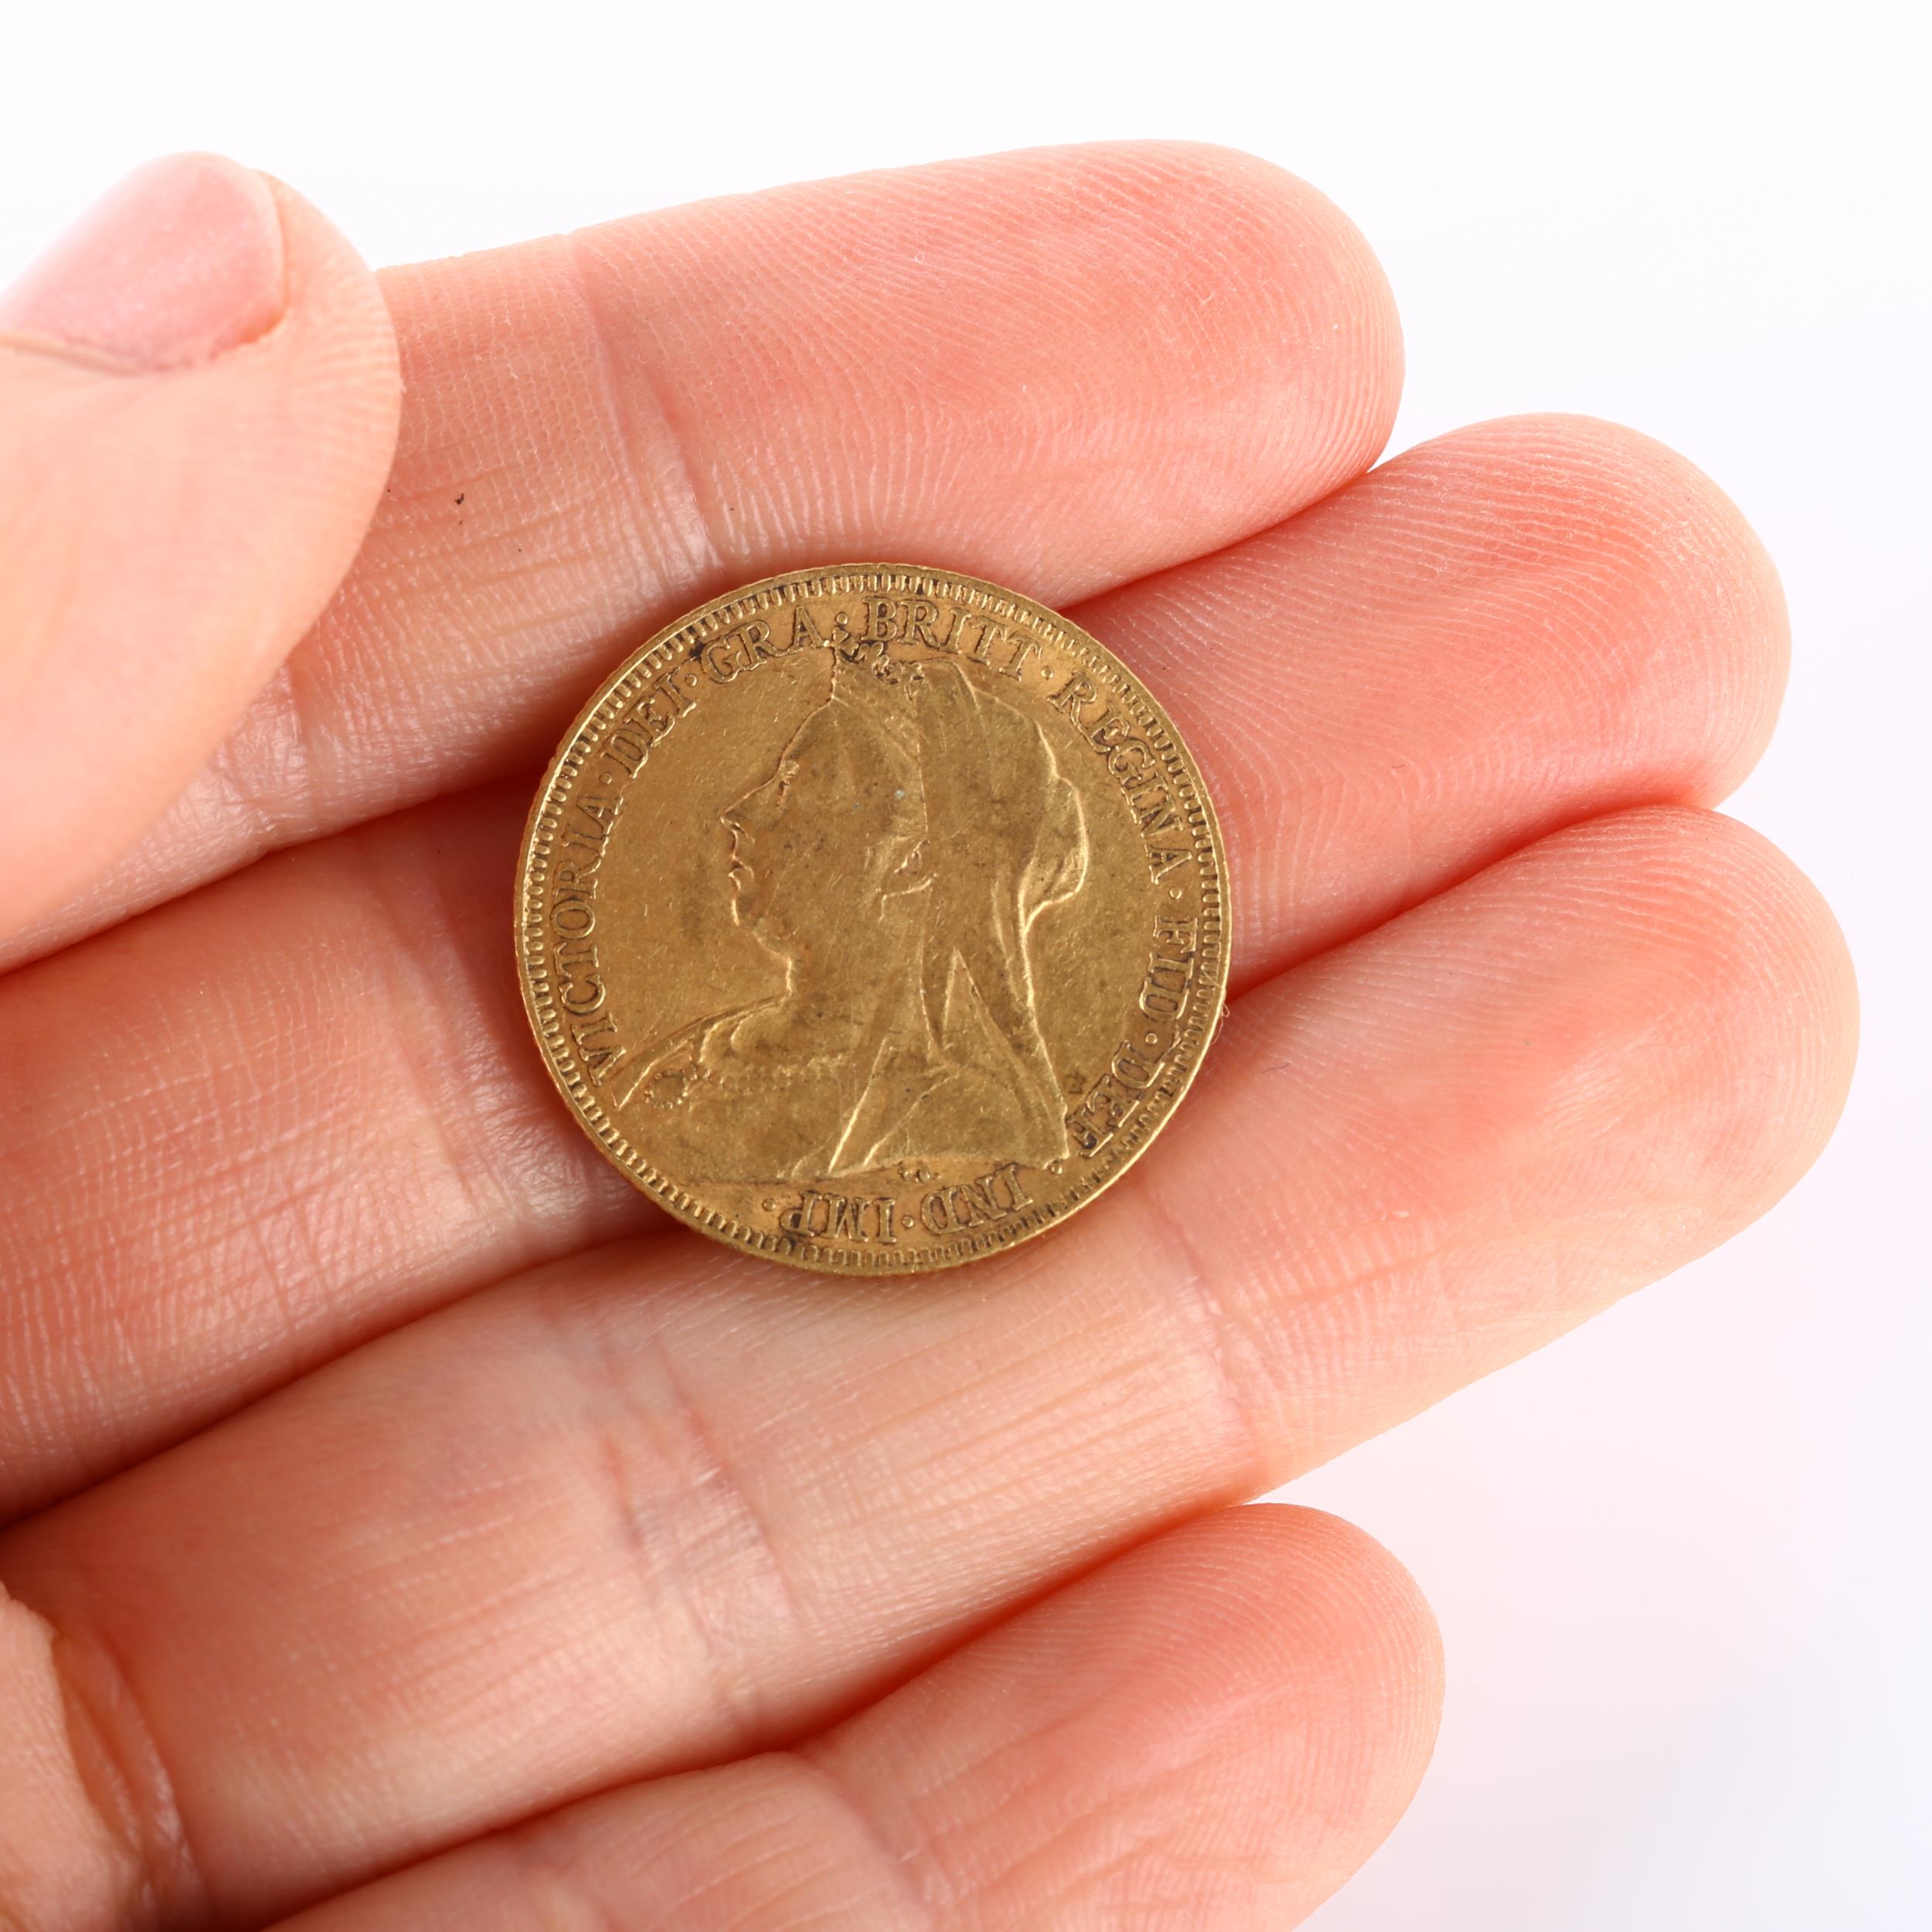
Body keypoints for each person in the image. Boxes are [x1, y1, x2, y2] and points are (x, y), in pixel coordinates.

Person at [0, 146, 1853, 1928]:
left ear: (905, 865)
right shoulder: (708, 1088)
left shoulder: (935, 1122)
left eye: (792, 798)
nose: (731, 829)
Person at [628, 650, 1089, 1180]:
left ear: (916, 858)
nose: (740, 814)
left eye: (789, 788)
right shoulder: (694, 1055)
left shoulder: (971, 1128)